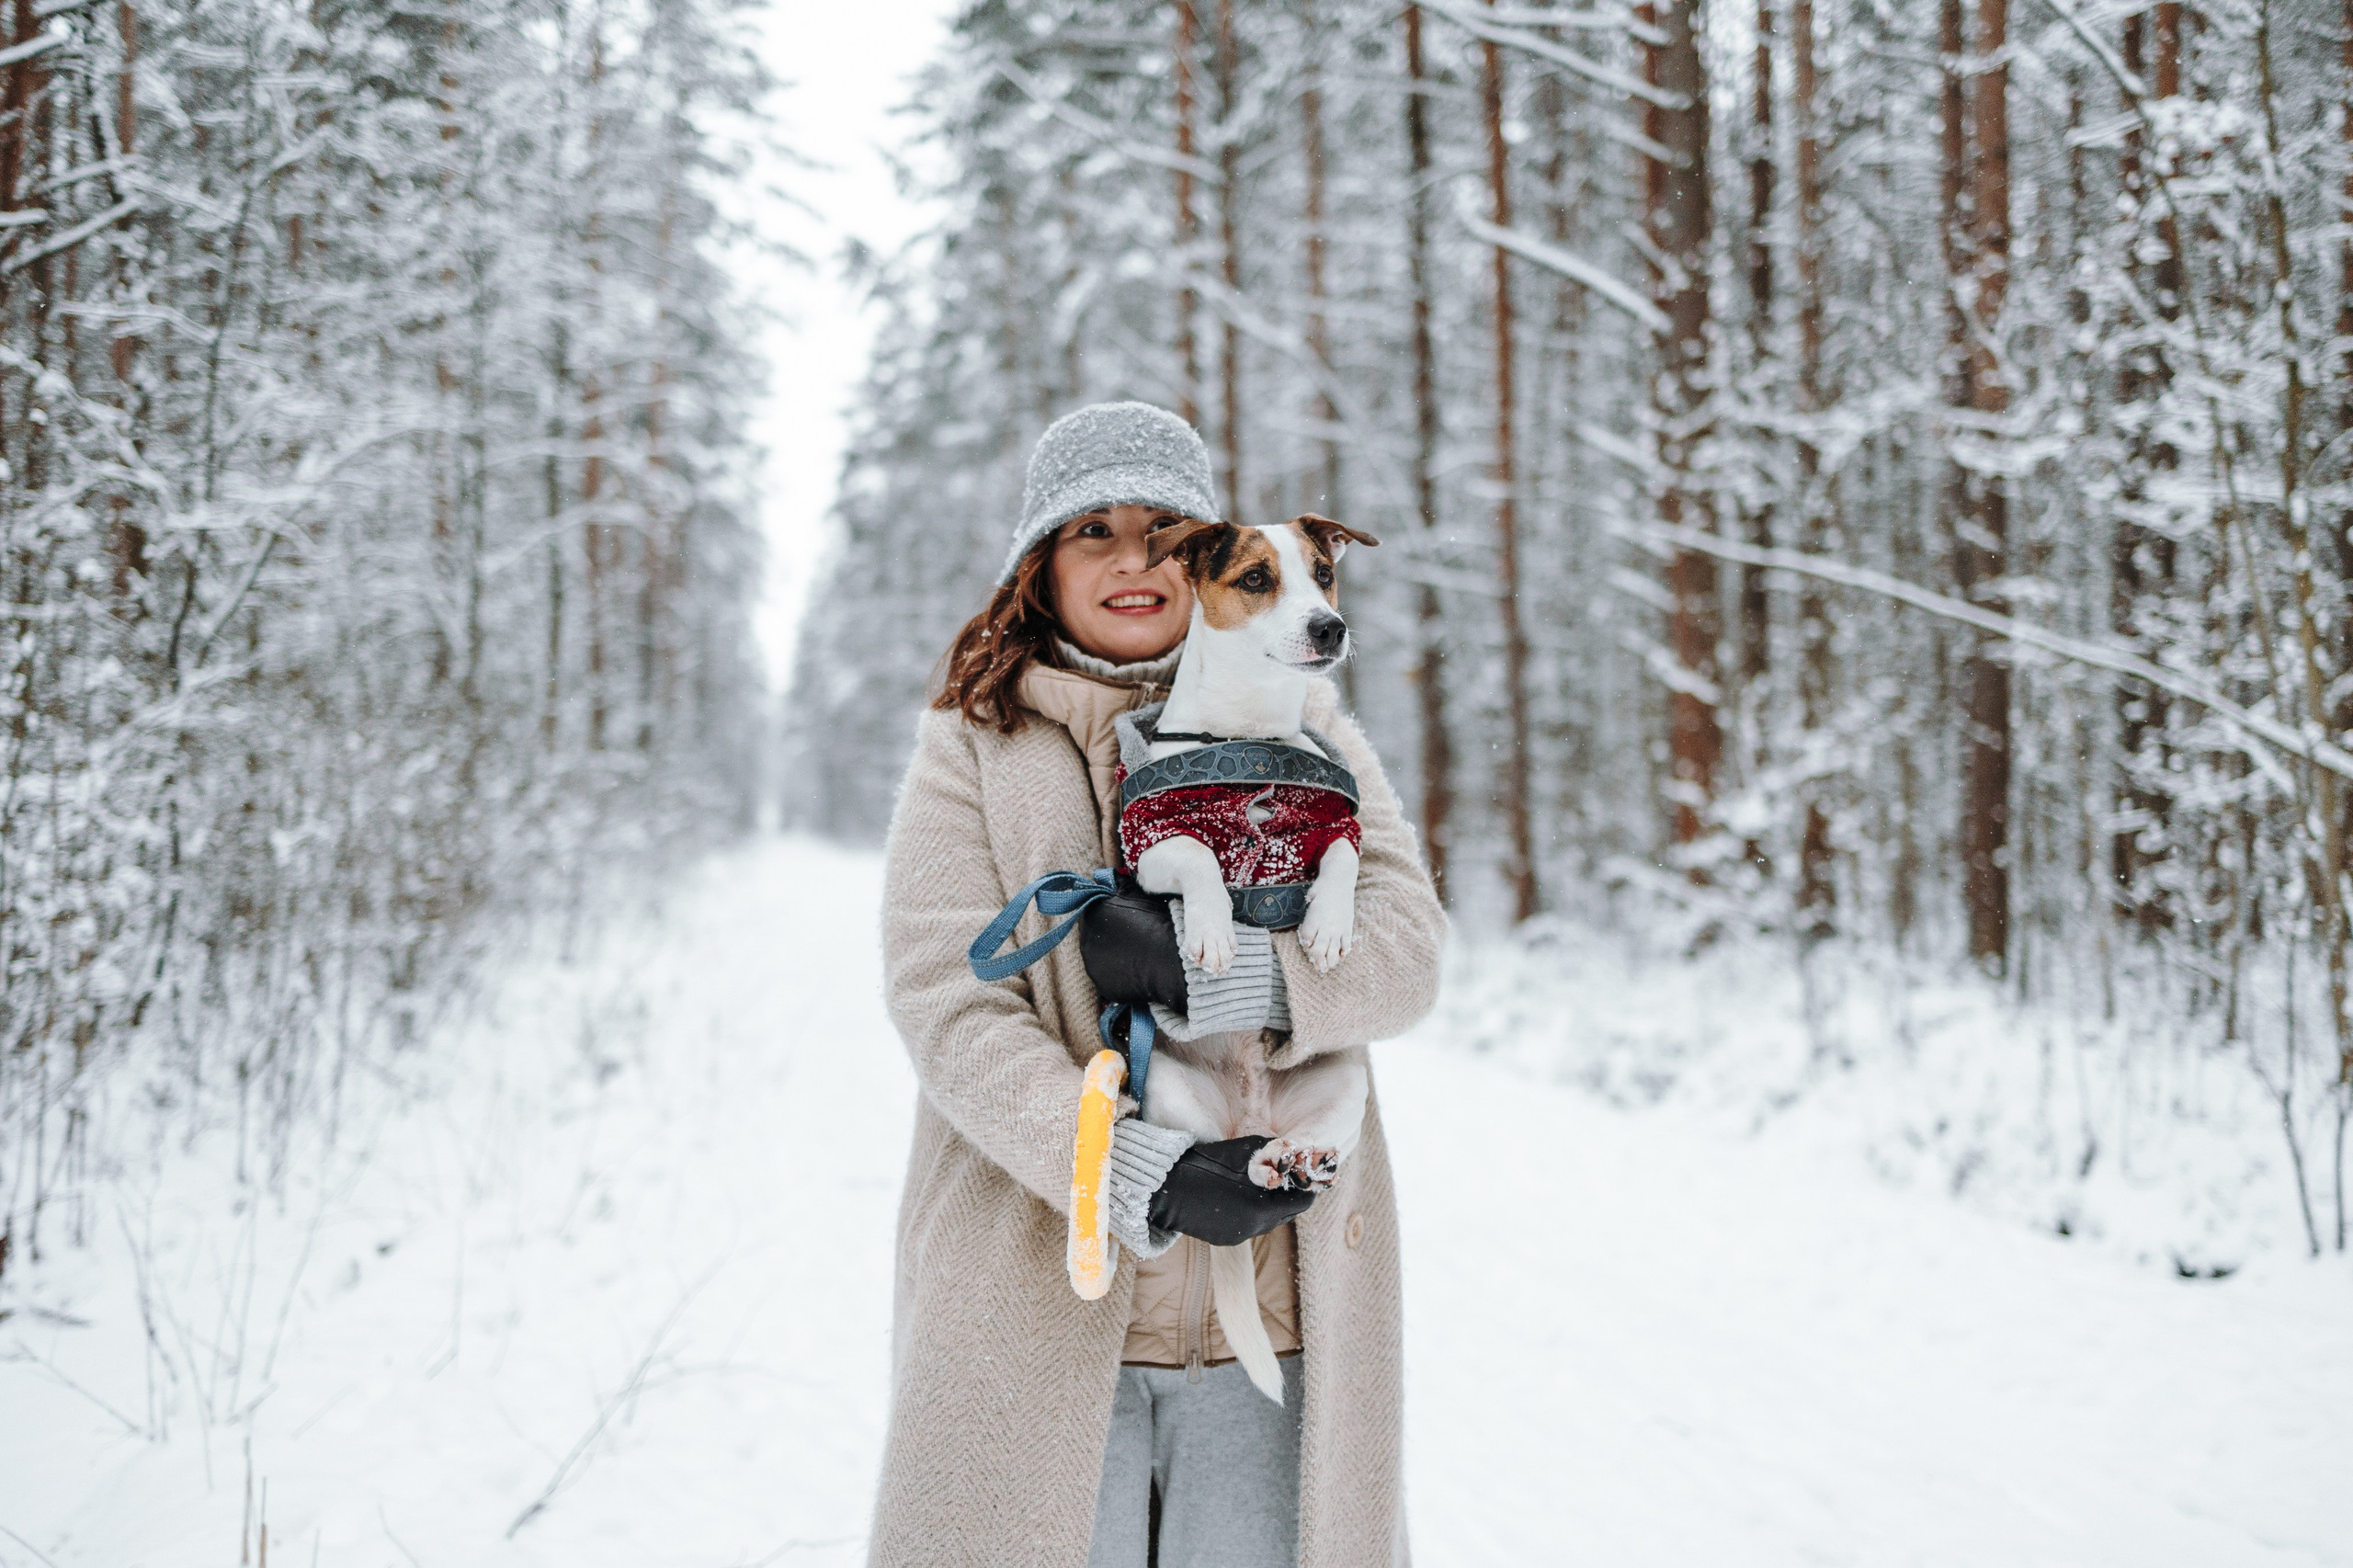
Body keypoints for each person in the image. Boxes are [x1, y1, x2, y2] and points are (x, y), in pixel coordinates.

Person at [871, 402, 1446, 1568]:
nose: (1132, 560)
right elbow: (948, 1004)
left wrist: (1229, 982)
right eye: (1093, 530)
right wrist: (1137, 1170)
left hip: (1274, 1318)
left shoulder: (1310, 731)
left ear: (1204, 558)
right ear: (1040, 564)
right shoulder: (974, 742)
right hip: (1036, 1306)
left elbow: (1406, 953)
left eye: (1159, 530)